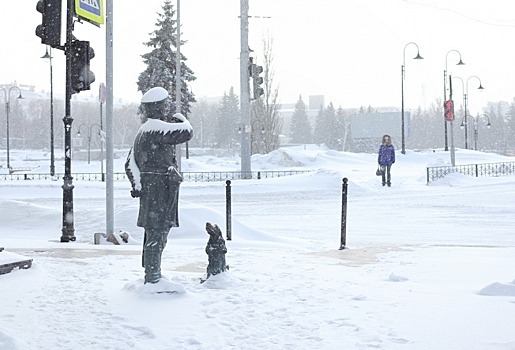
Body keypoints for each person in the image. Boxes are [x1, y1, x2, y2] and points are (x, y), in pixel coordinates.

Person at [125, 87, 193, 284]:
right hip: (159, 189)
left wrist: (137, 184)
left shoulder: (143, 131)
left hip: (154, 188)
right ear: (159, 108)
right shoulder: (154, 128)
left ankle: (151, 271)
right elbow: (186, 132)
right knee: (158, 231)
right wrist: (181, 119)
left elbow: (129, 163)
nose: (167, 109)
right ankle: (153, 276)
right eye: (165, 105)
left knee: (154, 231)